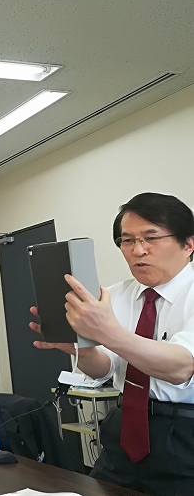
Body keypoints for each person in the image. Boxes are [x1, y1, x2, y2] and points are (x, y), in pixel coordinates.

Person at [30, 192, 194, 496]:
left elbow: (181, 368)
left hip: (184, 434)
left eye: (151, 238)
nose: (138, 250)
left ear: (188, 244)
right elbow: (102, 370)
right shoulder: (115, 295)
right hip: (124, 429)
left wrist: (107, 332)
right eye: (127, 240)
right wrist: (82, 348)